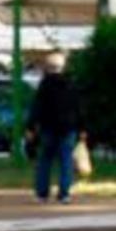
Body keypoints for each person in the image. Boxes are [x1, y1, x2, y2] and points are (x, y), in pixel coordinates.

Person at [27, 52, 82, 204]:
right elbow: (77, 108)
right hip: (68, 128)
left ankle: (42, 194)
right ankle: (64, 194)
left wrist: (31, 127)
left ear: (48, 67)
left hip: (48, 128)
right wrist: (82, 127)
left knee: (45, 160)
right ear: (63, 67)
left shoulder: (45, 85)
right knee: (66, 160)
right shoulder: (71, 84)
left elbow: (37, 107)